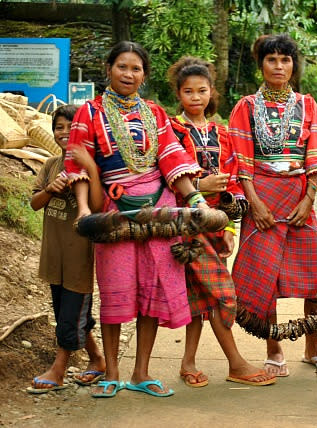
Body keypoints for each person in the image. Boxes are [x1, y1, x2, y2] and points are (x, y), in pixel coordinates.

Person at [65, 41, 210, 398]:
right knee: (115, 290)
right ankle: (112, 372)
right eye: (122, 67)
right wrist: (84, 209)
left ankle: (141, 372)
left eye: (136, 69)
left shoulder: (155, 113)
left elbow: (171, 158)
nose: (129, 74)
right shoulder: (90, 112)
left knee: (153, 288)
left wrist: (194, 198)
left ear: (144, 74)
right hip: (114, 211)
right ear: (109, 68)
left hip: (158, 209)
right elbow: (77, 162)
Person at [228, 34, 317, 377]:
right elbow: (240, 157)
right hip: (260, 194)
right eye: (272, 59)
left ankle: (312, 348)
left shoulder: (307, 104)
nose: (279, 66)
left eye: (285, 59)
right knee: (266, 279)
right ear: (260, 64)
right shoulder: (245, 106)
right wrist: (254, 203)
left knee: (313, 278)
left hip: (298, 195)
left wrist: (309, 198)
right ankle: (273, 350)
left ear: (294, 64)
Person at [167, 56, 275, 387]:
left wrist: (229, 227)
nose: (196, 98)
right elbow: (167, 177)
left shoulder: (222, 132)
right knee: (221, 293)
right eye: (188, 91)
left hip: (217, 223)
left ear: (211, 92)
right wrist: (199, 186)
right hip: (187, 222)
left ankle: (188, 363)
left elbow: (232, 182)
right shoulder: (171, 130)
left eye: (202, 91)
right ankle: (236, 363)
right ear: (179, 93)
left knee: (200, 297)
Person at [27, 105, 106, 394]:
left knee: (71, 316)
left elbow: (97, 206)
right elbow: (35, 203)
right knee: (65, 312)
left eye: (71, 127)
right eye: (59, 127)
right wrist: (51, 189)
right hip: (54, 256)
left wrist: (87, 177)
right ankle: (97, 360)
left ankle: (59, 369)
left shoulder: (91, 166)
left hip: (79, 259)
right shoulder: (50, 165)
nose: (64, 133)